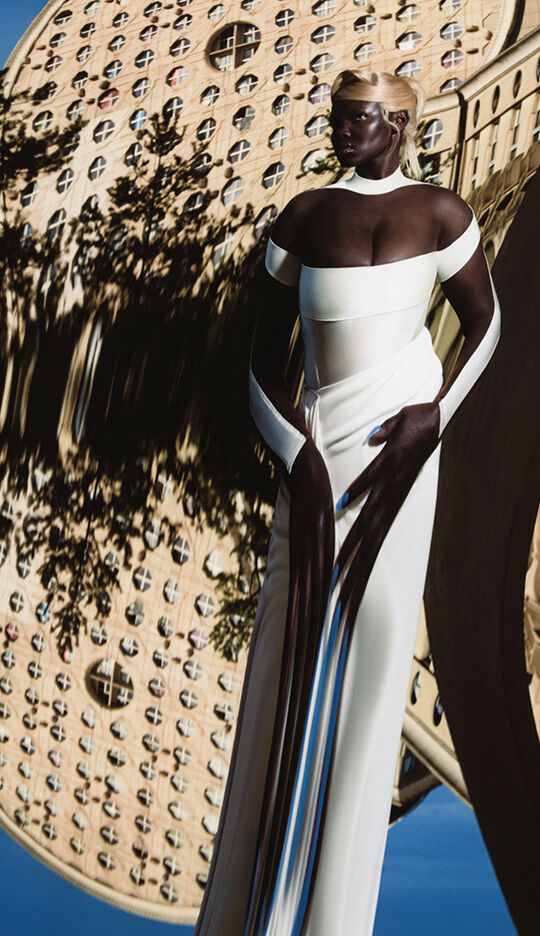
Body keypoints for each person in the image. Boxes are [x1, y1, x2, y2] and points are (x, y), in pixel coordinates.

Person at [195, 69, 500, 936]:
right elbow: (260, 358)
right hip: (317, 455)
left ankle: (335, 916)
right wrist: (292, 453)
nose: (343, 132)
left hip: (399, 451)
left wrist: (433, 420)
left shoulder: (443, 214)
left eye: (361, 120)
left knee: (374, 668)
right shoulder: (301, 217)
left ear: (398, 127)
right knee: (289, 659)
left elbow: (489, 326)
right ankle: (252, 902)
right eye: (338, 119)